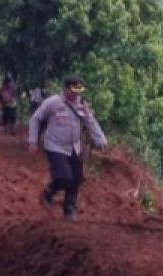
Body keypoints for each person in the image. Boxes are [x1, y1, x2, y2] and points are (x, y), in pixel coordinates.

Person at [28, 75, 108, 221]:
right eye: (74, 90)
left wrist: (100, 139)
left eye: (79, 90)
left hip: (74, 147)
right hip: (55, 146)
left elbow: (91, 122)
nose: (77, 93)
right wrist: (32, 140)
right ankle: (48, 192)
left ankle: (69, 210)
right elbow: (36, 119)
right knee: (64, 177)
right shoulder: (52, 103)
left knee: (76, 178)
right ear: (65, 88)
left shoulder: (82, 104)